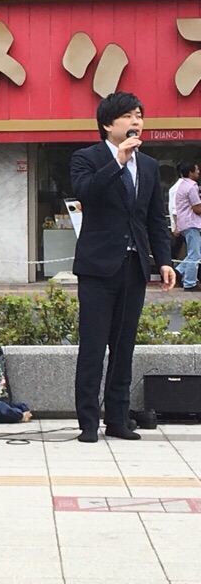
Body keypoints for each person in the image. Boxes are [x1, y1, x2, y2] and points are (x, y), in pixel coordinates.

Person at [70, 91, 175, 444]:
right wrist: (117, 161)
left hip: (133, 266)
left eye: (139, 116)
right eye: (129, 116)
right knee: (93, 346)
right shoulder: (87, 158)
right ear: (107, 124)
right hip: (97, 268)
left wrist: (163, 261)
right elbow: (86, 192)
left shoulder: (149, 165)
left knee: (123, 346)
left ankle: (117, 419)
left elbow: (155, 218)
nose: (136, 122)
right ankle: (87, 422)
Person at [173, 160, 201, 292]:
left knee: (195, 252)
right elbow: (197, 208)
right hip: (192, 223)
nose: (198, 172)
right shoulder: (192, 187)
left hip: (185, 222)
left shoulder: (182, 185)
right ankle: (190, 283)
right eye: (196, 170)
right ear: (190, 172)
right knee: (195, 254)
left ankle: (179, 270)